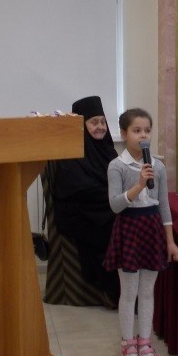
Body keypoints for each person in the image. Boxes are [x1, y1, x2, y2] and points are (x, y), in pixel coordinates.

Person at [104, 108, 178, 356]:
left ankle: (145, 342)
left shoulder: (157, 166)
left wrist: (170, 241)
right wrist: (138, 184)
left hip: (151, 228)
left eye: (147, 130)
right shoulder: (117, 166)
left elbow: (164, 206)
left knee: (148, 291)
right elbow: (115, 205)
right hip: (129, 227)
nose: (143, 135)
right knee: (129, 292)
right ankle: (128, 344)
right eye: (137, 131)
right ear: (124, 134)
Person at [52, 95, 119, 303]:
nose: (100, 127)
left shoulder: (107, 149)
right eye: (94, 122)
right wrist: (117, 199)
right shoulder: (72, 153)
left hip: (103, 207)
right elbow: (81, 191)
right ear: (82, 126)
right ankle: (116, 291)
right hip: (79, 213)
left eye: (103, 122)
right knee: (116, 228)